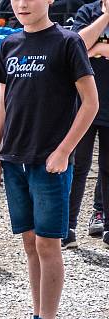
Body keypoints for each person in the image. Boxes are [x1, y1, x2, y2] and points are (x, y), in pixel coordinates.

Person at [0, 0, 97, 319]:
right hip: (13, 158)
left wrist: (64, 151)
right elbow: (1, 103)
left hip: (50, 162)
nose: (22, 4)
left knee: (49, 244)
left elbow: (90, 103)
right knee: (31, 243)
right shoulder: (9, 45)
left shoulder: (68, 42)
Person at [66, 0, 109, 248]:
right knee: (77, 165)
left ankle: (105, 221)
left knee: (106, 167)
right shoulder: (88, 12)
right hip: (83, 103)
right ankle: (68, 225)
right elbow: (77, 45)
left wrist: (98, 48)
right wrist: (105, 18)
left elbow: (86, 49)